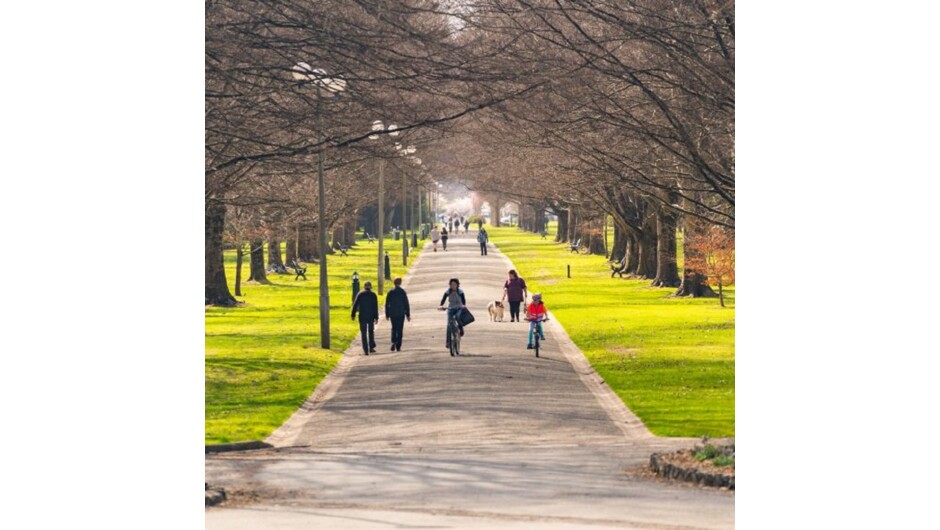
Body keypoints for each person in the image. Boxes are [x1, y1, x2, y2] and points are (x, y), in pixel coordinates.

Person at [439, 277, 467, 350]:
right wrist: (441, 305)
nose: (453, 286)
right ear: (450, 285)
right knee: (449, 325)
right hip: (450, 308)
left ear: (457, 285)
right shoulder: (448, 291)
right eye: (451, 284)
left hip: (459, 308)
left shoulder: (460, 291)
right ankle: (448, 342)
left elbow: (464, 300)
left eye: (455, 284)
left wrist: (463, 305)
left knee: (458, 317)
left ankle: (460, 328)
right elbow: (443, 299)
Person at [351, 281, 379, 354]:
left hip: (362, 316)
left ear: (364, 287)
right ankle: (371, 347)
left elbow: (355, 304)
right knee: (370, 332)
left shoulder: (360, 294)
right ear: (371, 287)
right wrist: (376, 317)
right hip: (371, 316)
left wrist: (353, 314)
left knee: (363, 333)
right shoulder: (373, 295)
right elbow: (375, 307)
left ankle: (365, 349)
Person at [384, 277, 411, 351]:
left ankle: (393, 342)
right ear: (400, 283)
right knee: (400, 329)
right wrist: (408, 314)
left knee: (394, 328)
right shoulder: (402, 292)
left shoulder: (390, 292)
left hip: (393, 313)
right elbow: (406, 303)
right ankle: (398, 345)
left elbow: (387, 303)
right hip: (400, 313)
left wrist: (387, 314)